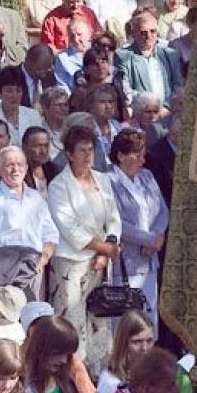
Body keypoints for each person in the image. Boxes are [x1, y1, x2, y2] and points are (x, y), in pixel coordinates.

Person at [47, 125, 122, 377]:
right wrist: (106, 248)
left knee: (99, 321)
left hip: (100, 263)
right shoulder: (59, 186)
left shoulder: (102, 179)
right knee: (72, 322)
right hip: (71, 262)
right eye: (81, 150)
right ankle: (72, 381)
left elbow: (113, 218)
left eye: (91, 149)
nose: (87, 155)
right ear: (69, 154)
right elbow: (70, 228)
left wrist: (105, 252)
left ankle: (100, 379)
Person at [109, 129, 168, 336]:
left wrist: (157, 238)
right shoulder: (108, 181)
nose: (143, 161)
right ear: (121, 155)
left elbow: (162, 210)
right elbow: (116, 221)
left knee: (150, 320)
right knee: (128, 324)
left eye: (144, 155)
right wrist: (149, 239)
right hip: (126, 263)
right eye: (137, 155)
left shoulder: (148, 176)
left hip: (150, 261)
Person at [0, 145, 58, 276]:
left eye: (20, 164)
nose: (15, 169)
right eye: (9, 165)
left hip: (36, 270)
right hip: (4, 274)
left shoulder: (37, 198)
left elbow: (50, 234)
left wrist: (43, 259)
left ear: (26, 167)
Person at [113, 11, 184, 107]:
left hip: (169, 111)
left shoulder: (170, 54)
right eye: (143, 33)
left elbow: (178, 85)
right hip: (141, 112)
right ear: (133, 34)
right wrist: (152, 107)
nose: (149, 36)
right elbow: (125, 90)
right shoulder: (123, 56)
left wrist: (168, 106)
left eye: (152, 31)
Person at [96, 310, 155, 393]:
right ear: (123, 344)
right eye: (137, 341)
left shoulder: (154, 374)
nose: (144, 348)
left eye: (149, 341)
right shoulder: (110, 382)